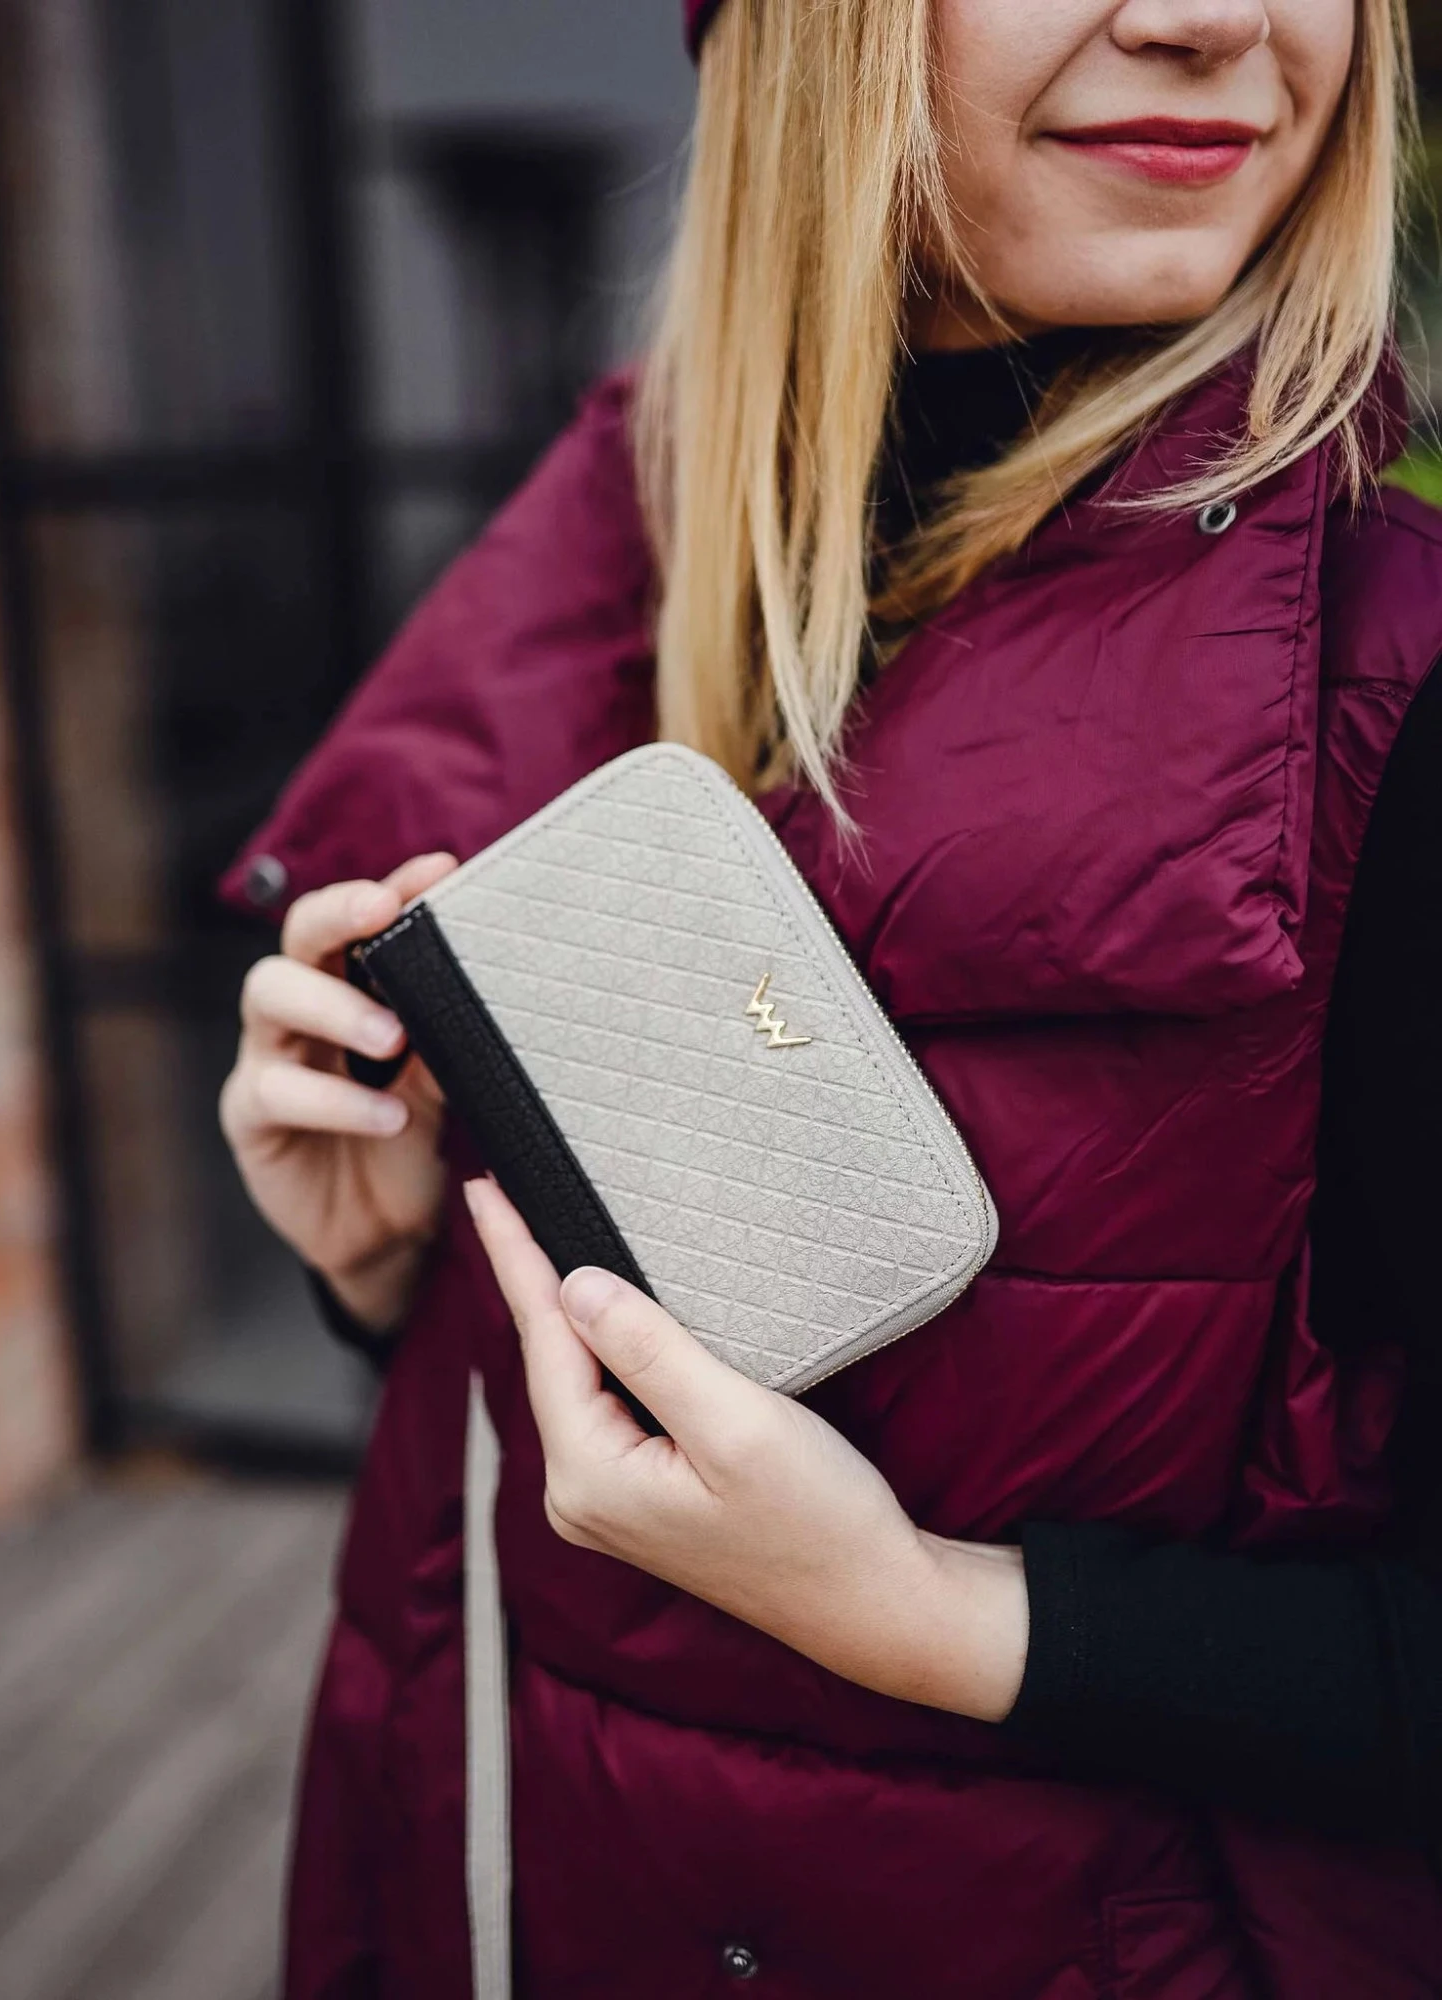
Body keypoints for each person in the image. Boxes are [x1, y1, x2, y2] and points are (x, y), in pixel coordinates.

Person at [219, 2, 1442, 1994]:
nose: (1212, 17)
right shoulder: (590, 605)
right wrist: (388, 1273)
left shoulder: (1398, 716)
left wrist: (933, 1614)